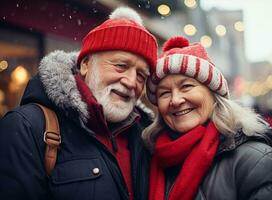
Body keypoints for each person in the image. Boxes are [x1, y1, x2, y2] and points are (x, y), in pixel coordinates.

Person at [0, 7, 157, 200]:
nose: (131, 81)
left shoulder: (146, 136)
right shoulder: (27, 126)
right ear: (85, 65)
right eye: (120, 66)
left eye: (141, 75)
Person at [143, 36, 272, 200]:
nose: (175, 100)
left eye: (186, 86)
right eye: (165, 93)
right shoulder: (149, 160)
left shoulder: (258, 162)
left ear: (214, 95)